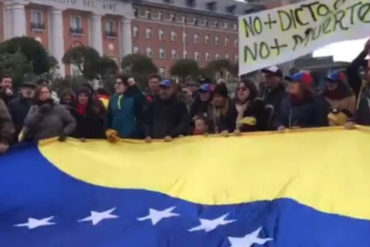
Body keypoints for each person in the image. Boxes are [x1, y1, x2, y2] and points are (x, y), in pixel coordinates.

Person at [106, 75, 142, 140]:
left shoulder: (134, 97)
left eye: (119, 83)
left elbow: (143, 104)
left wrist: (135, 87)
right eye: (116, 83)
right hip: (115, 137)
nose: (116, 86)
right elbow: (108, 117)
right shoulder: (112, 98)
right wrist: (108, 130)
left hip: (131, 138)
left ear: (127, 85)